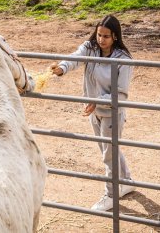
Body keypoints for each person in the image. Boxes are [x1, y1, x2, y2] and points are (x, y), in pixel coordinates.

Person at [49, 15, 135, 211]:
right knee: (109, 150)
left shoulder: (124, 60)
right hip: (93, 110)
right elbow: (75, 57)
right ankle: (127, 180)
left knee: (109, 154)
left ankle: (111, 195)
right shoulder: (91, 48)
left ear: (115, 36)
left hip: (111, 112)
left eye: (106, 36)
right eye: (99, 35)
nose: (101, 40)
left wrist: (97, 102)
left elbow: (121, 94)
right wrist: (62, 67)